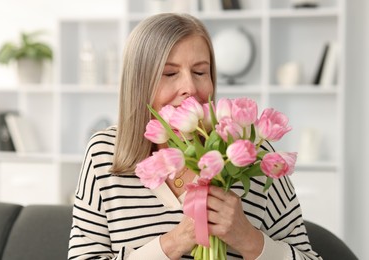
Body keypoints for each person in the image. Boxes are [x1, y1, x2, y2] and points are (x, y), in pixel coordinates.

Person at [68, 13, 321, 260]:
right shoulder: (104, 153)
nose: (190, 87)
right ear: (139, 83)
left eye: (200, 72)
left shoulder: (251, 150)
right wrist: (172, 244)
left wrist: (249, 240)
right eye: (169, 73)